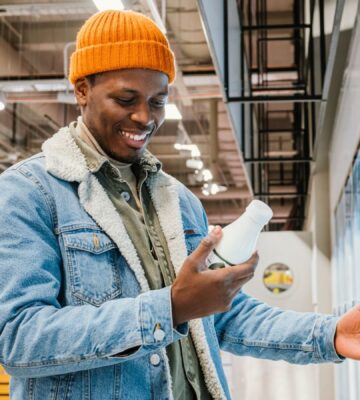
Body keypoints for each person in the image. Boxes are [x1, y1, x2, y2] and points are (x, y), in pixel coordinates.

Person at [0, 10, 359, 400]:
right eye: (125, 99)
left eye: (157, 101)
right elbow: (19, 337)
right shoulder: (29, 193)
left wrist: (331, 334)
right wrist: (167, 309)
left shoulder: (179, 201)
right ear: (82, 90)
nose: (144, 117)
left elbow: (220, 315)